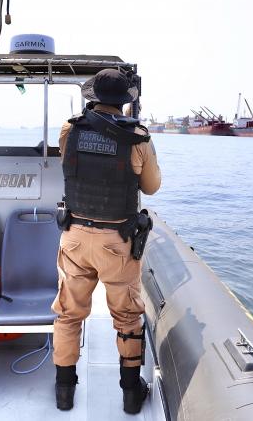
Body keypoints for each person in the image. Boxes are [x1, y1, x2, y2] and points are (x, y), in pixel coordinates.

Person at [52, 68, 162, 414]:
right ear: (124, 101)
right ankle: (131, 395)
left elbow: (70, 166)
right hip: (117, 242)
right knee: (127, 318)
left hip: (75, 238)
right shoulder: (138, 138)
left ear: (93, 96)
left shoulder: (70, 129)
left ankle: (64, 392)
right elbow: (151, 187)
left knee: (68, 316)